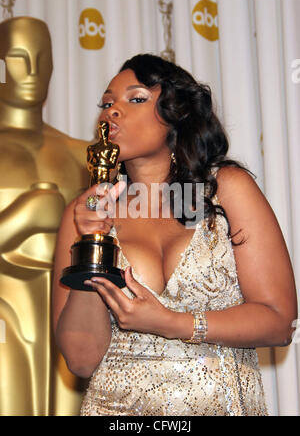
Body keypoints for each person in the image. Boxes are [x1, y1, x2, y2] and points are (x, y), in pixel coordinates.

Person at [52, 54, 297, 416]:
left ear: (175, 114)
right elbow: (82, 360)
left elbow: (279, 321)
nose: (111, 112)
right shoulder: (85, 212)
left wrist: (172, 323)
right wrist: (92, 242)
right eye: (107, 103)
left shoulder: (227, 189)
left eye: (135, 99)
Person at [0, 16, 89, 415]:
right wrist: (24, 217)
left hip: (72, 315)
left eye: (42, 58)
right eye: (19, 58)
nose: (32, 72)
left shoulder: (81, 154)